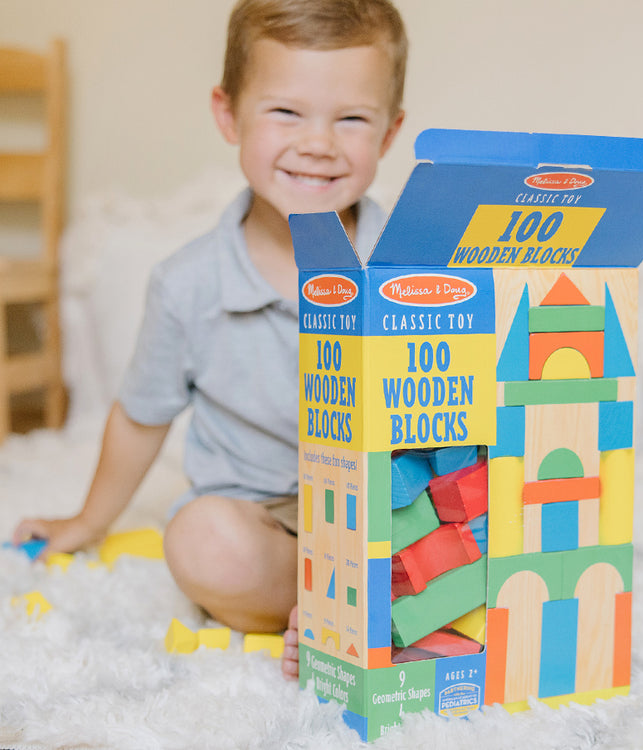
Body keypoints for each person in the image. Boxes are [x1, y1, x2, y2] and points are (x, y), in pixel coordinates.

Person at [13, 0, 407, 681]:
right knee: (199, 542)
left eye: (351, 118)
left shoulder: (410, 265)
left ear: (390, 132)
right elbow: (141, 416)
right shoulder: (186, 284)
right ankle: (335, 604)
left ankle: (388, 593)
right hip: (263, 520)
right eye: (286, 112)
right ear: (229, 115)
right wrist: (85, 520)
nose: (318, 142)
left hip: (388, 508)